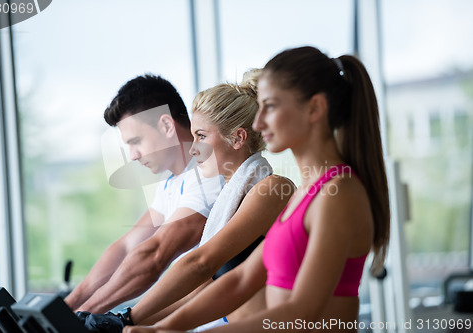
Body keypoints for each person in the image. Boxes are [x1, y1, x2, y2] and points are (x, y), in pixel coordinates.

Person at [124, 46, 390, 333]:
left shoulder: (339, 194)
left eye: (271, 106)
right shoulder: (303, 194)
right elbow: (238, 282)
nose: (258, 121)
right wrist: (159, 327)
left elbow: (302, 311)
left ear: (314, 109)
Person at [80, 69, 295, 332]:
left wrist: (128, 319)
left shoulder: (270, 189)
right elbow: (200, 290)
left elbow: (200, 264)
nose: (193, 148)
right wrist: (121, 321)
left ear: (238, 138)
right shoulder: (230, 199)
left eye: (201, 136)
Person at [64, 75, 223, 314]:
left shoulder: (209, 174)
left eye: (136, 141)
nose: (133, 155)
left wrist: (84, 314)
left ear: (167, 125)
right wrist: (68, 306)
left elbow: (155, 256)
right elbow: (127, 247)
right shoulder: (170, 183)